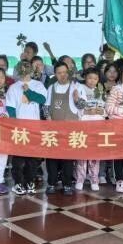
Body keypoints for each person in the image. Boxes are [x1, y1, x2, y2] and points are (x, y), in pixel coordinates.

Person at [6, 61, 47, 194]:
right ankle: (18, 183)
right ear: (18, 70)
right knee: (18, 159)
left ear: (32, 70)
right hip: (19, 128)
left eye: (27, 68)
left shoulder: (38, 85)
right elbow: (10, 107)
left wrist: (28, 91)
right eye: (22, 68)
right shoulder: (13, 87)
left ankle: (30, 182)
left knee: (32, 159)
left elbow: (42, 99)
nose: (24, 70)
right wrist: (14, 125)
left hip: (34, 127)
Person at [45, 61, 82, 195]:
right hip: (53, 129)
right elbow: (46, 106)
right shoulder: (51, 88)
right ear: (55, 74)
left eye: (65, 72)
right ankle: (51, 183)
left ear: (68, 72)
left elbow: (83, 106)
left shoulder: (76, 87)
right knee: (52, 158)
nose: (62, 75)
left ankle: (67, 185)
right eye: (59, 73)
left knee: (68, 158)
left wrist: (77, 100)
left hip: (70, 129)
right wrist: (48, 118)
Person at [74, 68, 106, 191]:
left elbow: (105, 108)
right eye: (90, 78)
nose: (92, 81)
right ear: (85, 78)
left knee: (94, 153)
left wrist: (102, 111)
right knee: (82, 153)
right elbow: (76, 105)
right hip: (83, 124)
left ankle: (94, 179)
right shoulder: (79, 88)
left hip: (97, 124)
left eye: (95, 79)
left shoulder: (100, 91)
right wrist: (86, 111)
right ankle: (80, 179)